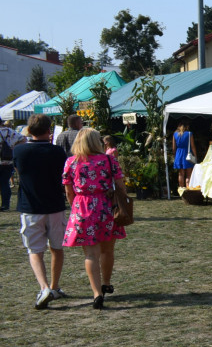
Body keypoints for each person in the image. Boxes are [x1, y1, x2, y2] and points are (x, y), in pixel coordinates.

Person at [62, 127, 126, 310]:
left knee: (90, 254)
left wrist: (76, 206)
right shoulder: (108, 159)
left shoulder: (71, 162)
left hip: (82, 208)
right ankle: (106, 283)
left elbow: (68, 191)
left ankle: (96, 292)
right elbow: (120, 186)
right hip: (107, 207)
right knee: (107, 250)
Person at [12, 114, 67, 308]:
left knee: (35, 251)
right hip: (55, 206)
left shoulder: (19, 151)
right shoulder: (58, 152)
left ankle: (44, 287)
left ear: (29, 130)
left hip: (31, 207)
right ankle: (54, 285)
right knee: (57, 248)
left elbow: (19, 172)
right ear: (48, 130)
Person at [1, 119, 27, 211]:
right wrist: (14, 148)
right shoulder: (9, 131)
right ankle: (5, 205)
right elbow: (24, 139)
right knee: (5, 183)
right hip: (8, 161)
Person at [172, 121, 198, 189]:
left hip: (178, 154)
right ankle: (188, 189)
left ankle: (181, 189)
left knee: (181, 174)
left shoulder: (175, 134)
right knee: (189, 174)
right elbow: (193, 146)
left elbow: (174, 148)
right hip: (187, 154)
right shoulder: (189, 134)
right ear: (187, 126)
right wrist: (195, 156)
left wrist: (175, 155)